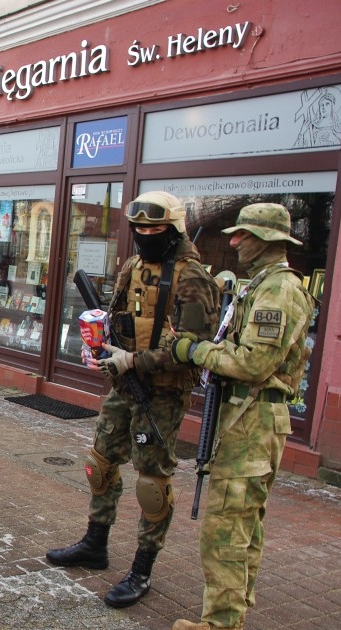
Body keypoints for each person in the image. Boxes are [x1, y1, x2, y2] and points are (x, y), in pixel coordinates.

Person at [45, 190, 220, 608]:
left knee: (152, 484)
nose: (144, 234)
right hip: (123, 385)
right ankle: (95, 543)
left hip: (161, 393)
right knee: (100, 464)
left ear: (173, 229)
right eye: (138, 228)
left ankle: (142, 569)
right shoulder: (133, 265)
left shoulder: (192, 278)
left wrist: (134, 360)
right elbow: (116, 317)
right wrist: (99, 345)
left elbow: (195, 348)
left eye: (154, 228)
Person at [165, 203, 313, 630]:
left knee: (226, 537)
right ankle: (222, 626)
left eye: (244, 235)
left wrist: (191, 348)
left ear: (269, 240)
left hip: (252, 422)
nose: (235, 242)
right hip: (242, 418)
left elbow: (250, 363)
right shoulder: (262, 284)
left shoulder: (279, 290)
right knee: (238, 532)